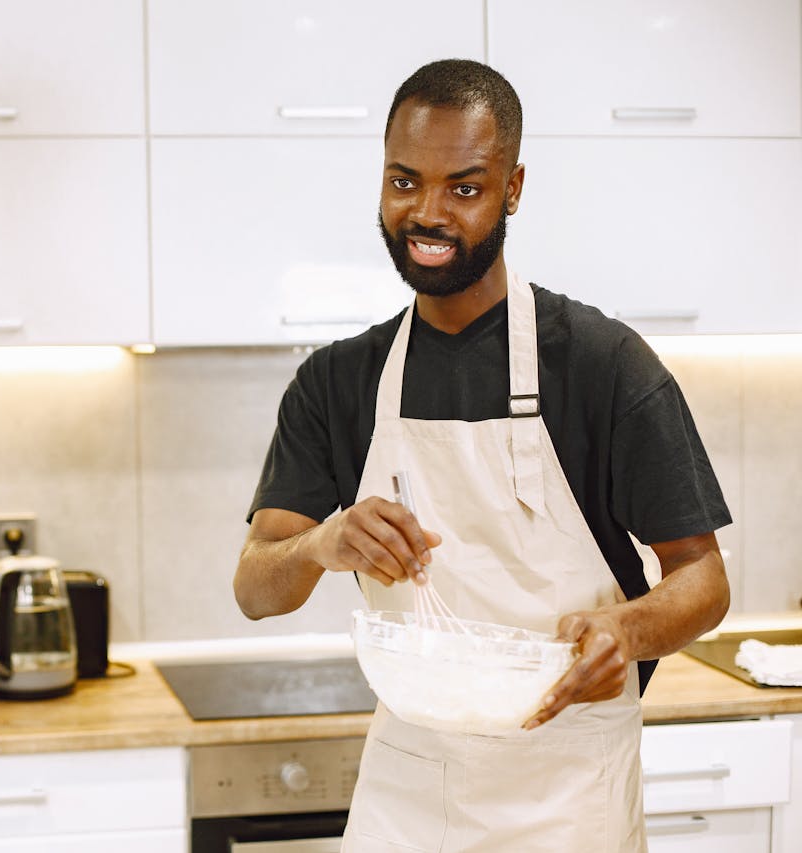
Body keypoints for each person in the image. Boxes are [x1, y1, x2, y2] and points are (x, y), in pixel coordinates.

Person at [234, 58, 731, 851]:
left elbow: (703, 578)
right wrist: (325, 542)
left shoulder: (604, 365)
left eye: (463, 187)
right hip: (407, 793)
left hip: (569, 796)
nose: (427, 212)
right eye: (404, 182)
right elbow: (257, 587)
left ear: (513, 189)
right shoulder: (337, 381)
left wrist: (626, 632)